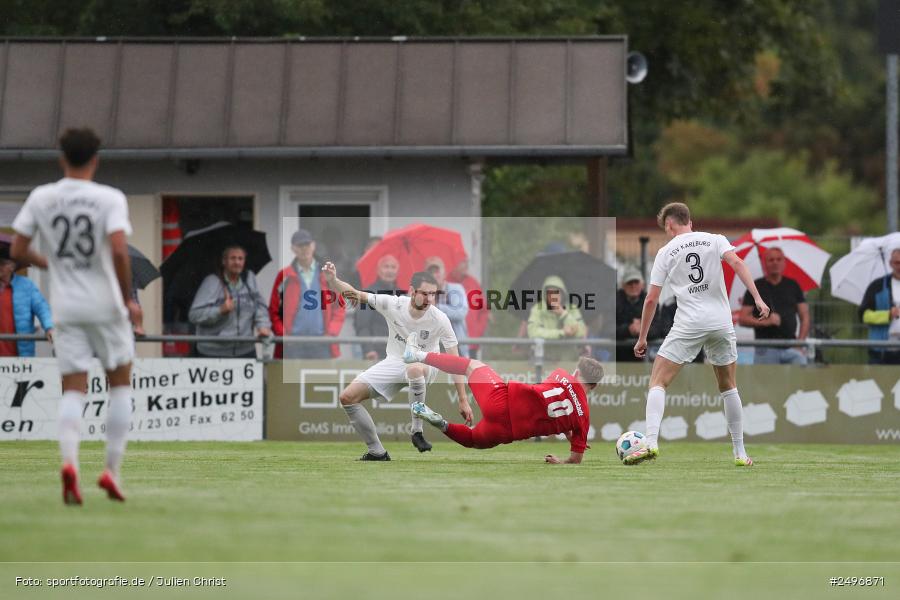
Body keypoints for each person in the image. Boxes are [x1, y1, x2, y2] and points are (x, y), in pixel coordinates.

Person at [10, 127, 142, 505]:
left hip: (66, 305)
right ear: (96, 159)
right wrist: (126, 300)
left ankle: (70, 464)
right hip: (105, 304)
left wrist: (50, 263)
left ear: (61, 158)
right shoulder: (109, 198)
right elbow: (118, 251)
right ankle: (111, 471)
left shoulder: (42, 197)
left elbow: (18, 249)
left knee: (72, 390)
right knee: (120, 386)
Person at [633, 203, 770, 466]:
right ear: (690, 222)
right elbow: (737, 262)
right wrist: (758, 298)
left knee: (658, 382)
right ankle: (740, 453)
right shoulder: (715, 239)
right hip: (720, 322)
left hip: (689, 323)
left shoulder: (665, 251)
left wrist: (642, 337)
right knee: (729, 386)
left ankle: (650, 442)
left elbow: (651, 299)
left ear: (670, 226)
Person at [322, 262, 472, 458]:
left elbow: (455, 360)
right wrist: (333, 280)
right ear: (411, 291)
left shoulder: (440, 319)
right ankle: (377, 452)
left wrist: (462, 399)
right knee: (347, 398)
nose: (429, 299)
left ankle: (416, 431)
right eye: (424, 294)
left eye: (433, 295)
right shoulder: (393, 303)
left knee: (415, 369)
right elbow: (356, 295)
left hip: (427, 363)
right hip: (395, 361)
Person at [402, 338, 602, 465]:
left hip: (502, 401)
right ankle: (442, 424)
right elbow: (576, 459)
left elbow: (552, 396)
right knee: (473, 440)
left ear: (576, 372)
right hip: (508, 432)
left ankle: (417, 354)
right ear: (594, 386)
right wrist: (563, 457)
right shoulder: (583, 417)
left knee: (472, 365)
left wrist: (567, 429)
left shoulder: (561, 374)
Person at [269, 229, 345, 359]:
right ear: (293, 249)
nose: (304, 249)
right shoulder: (284, 276)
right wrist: (283, 335)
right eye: (300, 245)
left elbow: (339, 307)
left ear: (313, 246)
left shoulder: (327, 275)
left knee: (320, 379)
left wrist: (331, 333)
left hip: (322, 343)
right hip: (292, 345)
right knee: (292, 380)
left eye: (307, 245)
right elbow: (273, 310)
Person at [189, 245, 272, 358]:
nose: (237, 262)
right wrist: (220, 310)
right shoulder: (212, 282)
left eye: (240, 258)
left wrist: (262, 325)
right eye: (232, 258)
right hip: (214, 353)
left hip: (245, 350)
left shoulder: (249, 278)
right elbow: (194, 315)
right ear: (224, 261)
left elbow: (260, 306)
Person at [737, 247, 810, 365]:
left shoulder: (793, 285)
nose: (775, 262)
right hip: (765, 348)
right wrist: (766, 322)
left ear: (784, 262)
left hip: (791, 347)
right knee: (767, 383)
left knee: (799, 382)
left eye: (778, 259)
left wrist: (800, 343)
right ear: (764, 263)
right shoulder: (756, 286)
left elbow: (805, 316)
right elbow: (743, 319)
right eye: (771, 260)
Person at [0, 257, 54, 356]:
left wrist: (49, 327)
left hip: (20, 358)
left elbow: (42, 308)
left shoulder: (27, 285)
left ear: (12, 266)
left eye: (2, 263)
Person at [527, 275, 587, 362]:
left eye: (556, 293)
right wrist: (561, 333)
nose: (553, 296)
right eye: (549, 293)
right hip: (545, 361)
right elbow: (533, 333)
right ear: (545, 294)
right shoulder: (537, 309)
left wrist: (564, 314)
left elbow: (581, 332)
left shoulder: (572, 308)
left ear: (562, 294)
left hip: (568, 361)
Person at [859, 248, 900, 365]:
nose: (899, 267)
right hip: (881, 350)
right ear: (890, 263)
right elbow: (864, 316)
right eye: (897, 263)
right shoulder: (877, 286)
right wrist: (887, 315)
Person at [355, 254, 399, 361]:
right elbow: (362, 326)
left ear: (398, 271)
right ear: (378, 271)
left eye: (393, 267)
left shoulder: (402, 295)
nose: (390, 270)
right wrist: (368, 349)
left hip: (398, 353)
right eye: (386, 266)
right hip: (376, 353)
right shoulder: (367, 294)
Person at [615, 268, 663, 363]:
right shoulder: (613, 302)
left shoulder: (652, 302)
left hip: (644, 361)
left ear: (642, 285)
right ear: (623, 286)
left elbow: (658, 329)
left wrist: (641, 330)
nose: (633, 286)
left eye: (636, 282)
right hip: (618, 359)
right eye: (630, 283)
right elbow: (607, 329)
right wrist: (629, 329)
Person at [424, 256, 469, 357]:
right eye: (430, 272)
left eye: (437, 271)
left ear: (444, 273)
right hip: (431, 347)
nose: (434, 275)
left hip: (456, 346)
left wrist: (437, 307)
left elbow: (460, 312)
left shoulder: (456, 289)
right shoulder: (421, 293)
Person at [448, 258, 489, 358]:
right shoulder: (446, 283)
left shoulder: (473, 283)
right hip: (451, 342)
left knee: (471, 371)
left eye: (466, 262)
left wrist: (477, 332)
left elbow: (484, 311)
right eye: (462, 261)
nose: (466, 265)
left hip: (471, 343)